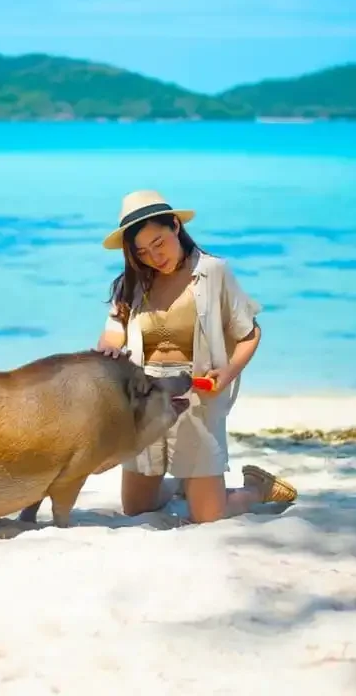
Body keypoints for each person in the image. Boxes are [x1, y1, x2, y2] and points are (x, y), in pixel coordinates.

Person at [95, 189, 298, 523]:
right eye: (142, 252)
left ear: (175, 226)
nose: (153, 257)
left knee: (208, 517)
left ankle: (257, 488)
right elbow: (114, 329)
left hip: (196, 396)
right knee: (137, 509)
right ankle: (184, 484)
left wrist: (228, 373)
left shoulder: (214, 272)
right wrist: (109, 347)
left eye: (158, 243)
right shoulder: (132, 283)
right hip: (145, 402)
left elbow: (250, 333)